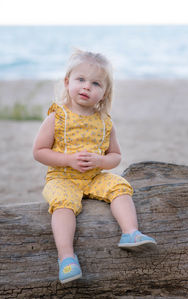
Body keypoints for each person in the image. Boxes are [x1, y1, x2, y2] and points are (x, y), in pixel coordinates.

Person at [33, 49, 156, 284]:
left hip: (93, 177)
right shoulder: (57, 118)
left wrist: (101, 161)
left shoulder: (105, 122)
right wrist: (68, 160)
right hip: (62, 177)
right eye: (80, 80)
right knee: (63, 204)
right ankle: (66, 258)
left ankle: (130, 232)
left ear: (104, 92)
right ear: (68, 82)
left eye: (95, 83)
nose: (87, 87)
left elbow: (116, 156)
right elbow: (39, 152)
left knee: (120, 185)